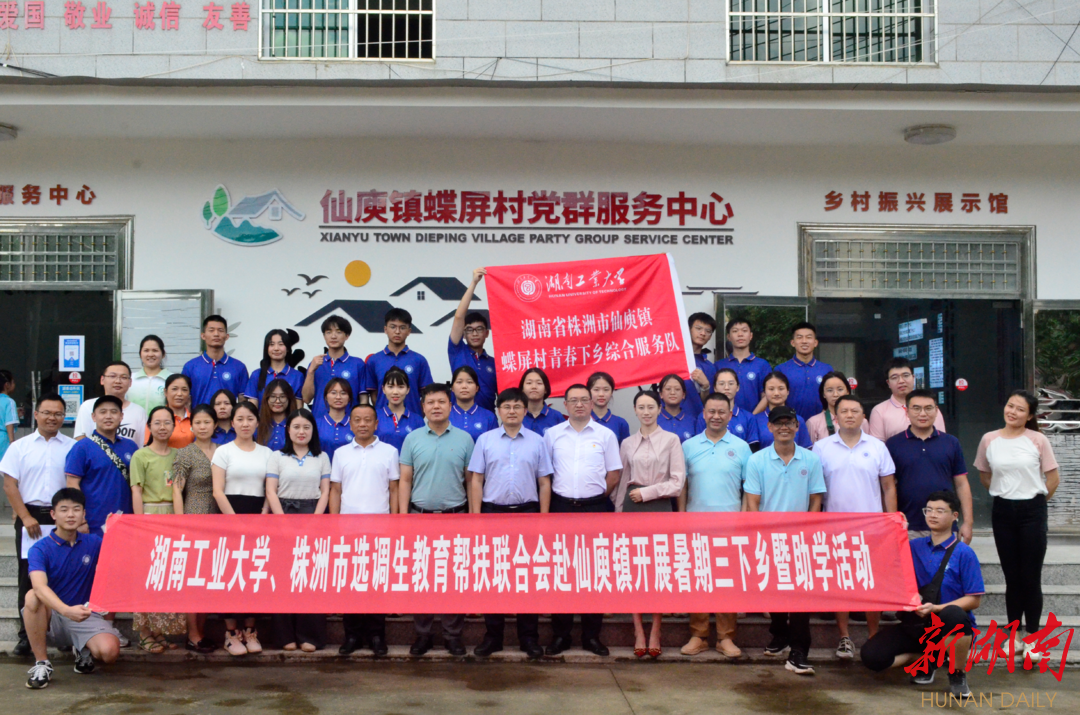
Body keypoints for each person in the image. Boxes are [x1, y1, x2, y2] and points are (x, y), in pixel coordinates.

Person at [861, 490, 983, 700]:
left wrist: (936, 608)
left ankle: (957, 673)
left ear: (955, 516)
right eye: (929, 510)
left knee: (954, 614)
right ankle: (928, 658)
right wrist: (894, 528)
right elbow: (882, 561)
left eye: (940, 511)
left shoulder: (964, 553)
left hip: (947, 626)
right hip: (916, 625)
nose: (933, 515)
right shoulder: (912, 546)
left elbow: (974, 600)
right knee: (872, 656)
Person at [974, 390, 1060, 659]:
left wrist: (1033, 500)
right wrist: (1007, 493)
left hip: (1033, 511)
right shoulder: (989, 439)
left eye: (1020, 409)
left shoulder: (1038, 440)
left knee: (1030, 577)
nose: (1012, 412)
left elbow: (1053, 479)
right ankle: (1013, 637)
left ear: (1030, 415)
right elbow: (985, 476)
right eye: (1010, 406)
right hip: (1003, 511)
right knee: (1012, 577)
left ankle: (1032, 638)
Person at [468, 387, 553, 660]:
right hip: (493, 513)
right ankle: (493, 637)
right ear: (499, 411)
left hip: (527, 513)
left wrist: (543, 519)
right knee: (493, 576)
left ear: (525, 410)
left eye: (517, 406)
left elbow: (544, 482)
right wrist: (476, 517)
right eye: (506, 407)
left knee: (527, 578)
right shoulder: (485, 440)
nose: (512, 411)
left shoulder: (537, 441)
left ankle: (528, 638)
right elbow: (476, 480)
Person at [812, 395, 896, 659]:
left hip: (872, 528)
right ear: (835, 417)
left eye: (855, 411)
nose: (849, 415)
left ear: (863, 416)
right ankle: (844, 637)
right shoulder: (821, 448)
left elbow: (888, 487)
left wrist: (891, 520)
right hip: (834, 528)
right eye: (844, 411)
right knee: (841, 584)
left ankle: (873, 637)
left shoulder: (878, 447)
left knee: (872, 584)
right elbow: (815, 490)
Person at [744, 405, 826, 676]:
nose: (784, 427)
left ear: (797, 426)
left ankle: (799, 651)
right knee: (775, 589)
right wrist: (760, 535)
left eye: (789, 423)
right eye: (778, 423)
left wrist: (808, 531)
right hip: (769, 537)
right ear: (769, 427)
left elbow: (816, 499)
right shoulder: (757, 460)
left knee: (800, 594)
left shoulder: (810, 459)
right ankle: (780, 634)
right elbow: (753, 503)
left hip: (801, 538)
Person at [544, 384, 622, 657]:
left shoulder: (606, 435)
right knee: (562, 572)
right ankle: (561, 636)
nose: (579, 404)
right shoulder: (552, 434)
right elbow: (545, 473)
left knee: (594, 572)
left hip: (595, 508)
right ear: (564, 405)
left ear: (591, 403)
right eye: (573, 400)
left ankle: (591, 636)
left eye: (584, 400)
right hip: (561, 507)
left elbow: (614, 474)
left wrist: (596, 498)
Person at [399, 383, 475, 656]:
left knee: (454, 578)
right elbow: (405, 480)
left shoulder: (465, 439)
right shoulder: (412, 439)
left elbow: (471, 481)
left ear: (450, 405)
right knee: (422, 578)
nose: (436, 407)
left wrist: (473, 518)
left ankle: (453, 635)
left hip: (456, 517)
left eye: (441, 401)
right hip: (420, 517)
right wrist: (403, 517)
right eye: (430, 402)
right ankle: (423, 635)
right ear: (423, 407)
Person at [22, 488, 122, 690]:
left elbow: (119, 560)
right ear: (53, 514)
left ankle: (82, 648)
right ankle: (42, 663)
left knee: (109, 652)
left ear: (84, 514)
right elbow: (39, 587)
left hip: (85, 614)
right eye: (64, 509)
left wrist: (115, 532)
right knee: (32, 597)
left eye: (76, 509)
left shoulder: (94, 542)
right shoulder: (40, 549)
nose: (70, 515)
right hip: (53, 616)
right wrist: (66, 610)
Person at [1, 394, 75, 658]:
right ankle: (27, 636)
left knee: (63, 573)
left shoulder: (72, 447)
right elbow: (10, 485)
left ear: (64, 417)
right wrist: (25, 516)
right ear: (36, 414)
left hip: (62, 517)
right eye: (46, 412)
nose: (52, 418)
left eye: (58, 414)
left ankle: (63, 632)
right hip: (30, 517)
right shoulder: (19, 447)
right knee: (28, 575)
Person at [614, 390, 686, 659]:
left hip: (659, 505)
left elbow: (677, 482)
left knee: (658, 569)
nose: (646, 412)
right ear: (635, 410)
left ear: (659, 409)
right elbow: (622, 481)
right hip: (631, 507)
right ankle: (638, 630)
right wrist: (619, 513)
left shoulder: (671, 440)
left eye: (651, 407)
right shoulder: (627, 443)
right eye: (641, 407)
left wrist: (647, 493)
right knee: (633, 569)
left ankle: (656, 629)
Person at [680, 392, 751, 659]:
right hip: (696, 523)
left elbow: (749, 488)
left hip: (730, 525)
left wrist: (743, 519)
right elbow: (683, 485)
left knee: (726, 582)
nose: (716, 416)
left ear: (730, 415)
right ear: (703, 414)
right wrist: (683, 516)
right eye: (711, 411)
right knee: (698, 579)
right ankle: (698, 635)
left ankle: (725, 637)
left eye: (722, 412)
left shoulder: (741, 447)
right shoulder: (688, 446)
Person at [331, 403, 400, 656]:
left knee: (376, 583)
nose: (362, 424)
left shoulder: (390, 452)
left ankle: (376, 636)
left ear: (376, 423)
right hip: (348, 528)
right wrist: (334, 523)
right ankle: (352, 636)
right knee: (350, 583)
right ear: (350, 424)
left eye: (368, 419)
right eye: (357, 420)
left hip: (379, 528)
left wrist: (394, 522)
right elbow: (335, 490)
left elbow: (394, 489)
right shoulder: (340, 453)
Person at [266, 408, 331, 653]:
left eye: (306, 427)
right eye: (296, 427)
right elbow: (271, 491)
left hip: (313, 515)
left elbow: (325, 491)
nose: (301, 432)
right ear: (288, 430)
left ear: (313, 430)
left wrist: (315, 521)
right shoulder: (277, 456)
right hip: (282, 515)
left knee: (310, 577)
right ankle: (285, 636)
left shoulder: (321, 457)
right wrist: (281, 522)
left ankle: (310, 636)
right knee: (282, 578)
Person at [210, 400, 271, 656]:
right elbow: (217, 490)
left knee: (254, 574)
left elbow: (270, 490)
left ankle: (250, 630)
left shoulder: (267, 453)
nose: (245, 424)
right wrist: (235, 522)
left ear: (257, 422)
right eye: (240, 419)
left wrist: (263, 516)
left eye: (250, 419)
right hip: (229, 517)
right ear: (232, 422)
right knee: (229, 575)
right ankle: (231, 634)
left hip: (258, 518)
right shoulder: (223, 451)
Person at [130, 406, 186, 653]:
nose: (162, 427)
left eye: (167, 422)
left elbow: (179, 490)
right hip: (149, 516)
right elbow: (136, 491)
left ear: (174, 426)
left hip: (173, 516)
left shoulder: (179, 455)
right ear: (149, 426)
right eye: (157, 422)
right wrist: (139, 524)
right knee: (147, 576)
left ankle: (159, 630)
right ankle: (144, 633)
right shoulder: (140, 456)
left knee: (167, 577)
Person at [885, 389, 973, 542]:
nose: (922, 413)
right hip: (907, 525)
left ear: (936, 411)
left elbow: (961, 484)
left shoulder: (951, 443)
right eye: (916, 408)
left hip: (945, 525)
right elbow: (888, 486)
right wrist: (893, 521)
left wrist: (968, 522)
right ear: (907, 411)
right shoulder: (893, 444)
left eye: (928, 408)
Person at [171, 404, 218, 653]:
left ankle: (202, 630)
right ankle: (192, 634)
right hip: (194, 518)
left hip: (218, 521)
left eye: (207, 422)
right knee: (194, 578)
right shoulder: (185, 453)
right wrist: (181, 523)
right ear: (191, 426)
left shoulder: (223, 451)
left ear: (215, 425)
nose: (202, 427)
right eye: (197, 422)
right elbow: (176, 489)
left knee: (210, 578)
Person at [65, 396, 139, 535]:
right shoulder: (82, 447)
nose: (108, 416)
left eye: (114, 412)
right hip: (93, 522)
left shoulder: (131, 446)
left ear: (121, 416)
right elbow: (72, 484)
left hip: (127, 521)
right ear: (94, 417)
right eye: (103, 412)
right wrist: (80, 520)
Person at [365, 308, 434, 415]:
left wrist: (417, 416)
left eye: (402, 328)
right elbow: (373, 394)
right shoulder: (374, 360)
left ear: (409, 331)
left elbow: (427, 394)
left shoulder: (419, 360)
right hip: (382, 421)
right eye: (393, 327)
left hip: (413, 421)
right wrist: (382, 414)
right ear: (385, 329)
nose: (397, 332)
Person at [449, 268, 497, 411]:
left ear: (486, 333)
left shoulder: (494, 363)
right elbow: (459, 317)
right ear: (463, 334)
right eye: (469, 330)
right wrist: (474, 283)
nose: (475, 334)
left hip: (488, 419)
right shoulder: (457, 351)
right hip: (458, 417)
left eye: (479, 329)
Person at [302, 316, 366, 419]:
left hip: (350, 423)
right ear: (324, 336)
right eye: (329, 332)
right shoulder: (315, 363)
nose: (333, 336)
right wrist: (311, 371)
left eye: (338, 332)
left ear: (347, 336)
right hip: (319, 422)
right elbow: (306, 398)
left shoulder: (357, 364)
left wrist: (360, 419)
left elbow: (363, 398)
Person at [868, 358, 946, 441]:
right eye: (894, 377)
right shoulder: (879, 411)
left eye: (905, 375)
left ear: (913, 377)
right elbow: (877, 446)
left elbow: (942, 440)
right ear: (888, 383)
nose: (901, 381)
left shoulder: (930, 407)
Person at [182, 315, 250, 407]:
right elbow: (185, 400)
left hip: (229, 416)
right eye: (211, 330)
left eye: (220, 330)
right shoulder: (190, 366)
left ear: (227, 336)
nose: (216, 334)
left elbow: (243, 400)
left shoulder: (239, 367)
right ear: (203, 336)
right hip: (199, 415)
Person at [72, 361, 148, 444]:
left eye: (124, 377)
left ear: (130, 382)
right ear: (102, 380)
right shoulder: (88, 406)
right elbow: (80, 438)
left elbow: (142, 444)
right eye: (112, 376)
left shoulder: (139, 411)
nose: (118, 381)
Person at [773, 322, 833, 422]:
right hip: (790, 423)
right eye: (799, 337)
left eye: (809, 337)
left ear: (815, 343)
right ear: (793, 343)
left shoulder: (826, 369)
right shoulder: (781, 369)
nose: (804, 341)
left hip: (822, 423)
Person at [715, 317, 771, 413]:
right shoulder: (719, 365)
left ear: (751, 336)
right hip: (724, 419)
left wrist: (751, 417)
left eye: (744, 331)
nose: (740, 334)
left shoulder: (762, 365)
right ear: (728, 337)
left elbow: (766, 396)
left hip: (755, 418)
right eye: (735, 331)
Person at [693, 368, 759, 448]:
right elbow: (699, 445)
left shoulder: (748, 417)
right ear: (715, 388)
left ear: (737, 387)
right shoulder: (703, 416)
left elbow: (752, 448)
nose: (726, 387)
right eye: (721, 384)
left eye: (731, 384)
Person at [753, 372, 813, 450]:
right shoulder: (755, 420)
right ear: (764, 392)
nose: (776, 393)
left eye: (781, 389)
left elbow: (805, 450)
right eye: (771, 389)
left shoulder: (798, 420)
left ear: (788, 391)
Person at [245, 329, 304, 406]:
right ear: (266, 348)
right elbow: (253, 408)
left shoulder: (297, 376)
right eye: (272, 344)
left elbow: (298, 408)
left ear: (288, 348)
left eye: (281, 344)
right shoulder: (256, 375)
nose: (276, 348)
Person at [806, 371, 866, 443]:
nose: (835, 394)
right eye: (829, 390)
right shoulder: (813, 423)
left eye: (840, 389)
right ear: (823, 394)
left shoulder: (862, 421)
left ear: (847, 391)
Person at [375, 367, 425, 451]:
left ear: (408, 389)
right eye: (390, 387)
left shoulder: (417, 420)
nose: (395, 392)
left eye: (401, 387)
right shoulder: (374, 417)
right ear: (383, 389)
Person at [682, 312, 719, 417]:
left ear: (710, 336)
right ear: (688, 329)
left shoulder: (710, 367)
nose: (703, 333)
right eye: (698, 328)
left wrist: (705, 386)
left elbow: (708, 403)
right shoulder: (673, 358)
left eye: (708, 331)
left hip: (696, 418)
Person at [449, 366, 499, 442]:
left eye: (469, 382)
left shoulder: (489, 417)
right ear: (452, 388)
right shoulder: (444, 415)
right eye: (459, 382)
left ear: (477, 388)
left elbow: (494, 445)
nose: (464, 386)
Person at [128, 335, 171, 412]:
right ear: (140, 354)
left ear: (163, 354)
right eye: (146, 350)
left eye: (155, 350)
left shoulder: (171, 379)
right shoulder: (130, 379)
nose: (150, 354)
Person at [588, 372, 631, 445]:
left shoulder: (620, 423)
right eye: (596, 389)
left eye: (606, 390)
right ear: (588, 392)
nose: (601, 394)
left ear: (612, 392)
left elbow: (625, 450)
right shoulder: (582, 421)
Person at [317, 378, 354, 462]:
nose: (338, 397)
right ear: (326, 397)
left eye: (343, 393)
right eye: (333, 393)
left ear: (349, 398)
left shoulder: (355, 424)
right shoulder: (315, 424)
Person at [520, 367, 564, 436]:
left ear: (546, 389)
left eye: (539, 383)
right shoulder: (515, 415)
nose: (534, 387)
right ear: (522, 389)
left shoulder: (556, 416)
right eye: (529, 383)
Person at [256, 379, 296, 451]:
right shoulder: (257, 424)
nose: (277, 401)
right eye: (273, 396)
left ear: (289, 399)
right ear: (266, 399)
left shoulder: (296, 425)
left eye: (282, 397)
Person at [158, 374, 195, 449]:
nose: (179, 394)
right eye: (174, 389)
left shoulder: (195, 419)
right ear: (165, 392)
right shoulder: (157, 418)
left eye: (184, 390)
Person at [656, 374, 695, 443]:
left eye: (677, 389)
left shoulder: (692, 421)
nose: (672, 392)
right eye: (668, 389)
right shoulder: (654, 420)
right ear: (661, 394)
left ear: (683, 395)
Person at [1, 370, 20, 459]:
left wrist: (17, 415)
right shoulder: (9, 401)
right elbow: (9, 423)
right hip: (2, 439)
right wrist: (12, 441)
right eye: (13, 382)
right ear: (7, 385)